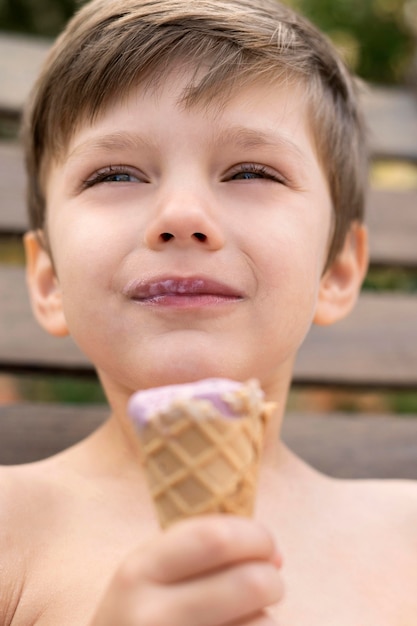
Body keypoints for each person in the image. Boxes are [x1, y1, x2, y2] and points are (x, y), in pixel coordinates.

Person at [1, 0, 416, 623]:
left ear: (337, 270)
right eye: (115, 175)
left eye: (251, 170)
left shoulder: (404, 537)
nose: (182, 217)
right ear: (49, 280)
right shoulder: (11, 532)